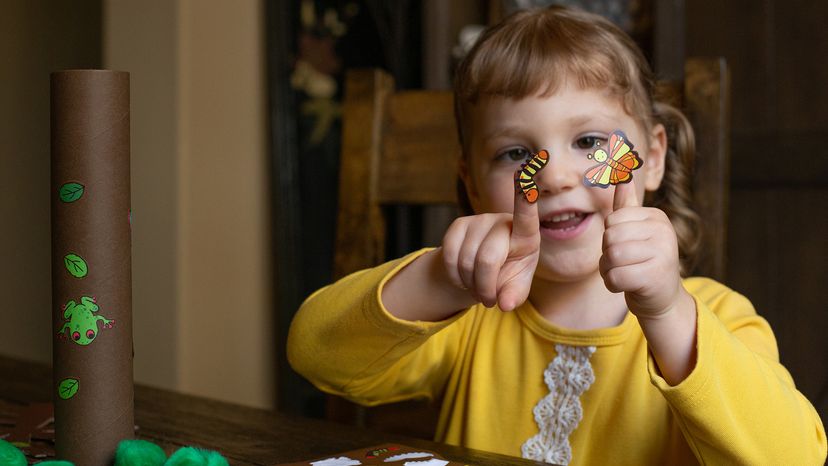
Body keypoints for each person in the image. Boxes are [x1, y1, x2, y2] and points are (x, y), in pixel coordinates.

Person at [288, 6, 826, 465]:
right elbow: (314, 354)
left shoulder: (720, 318)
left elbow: (796, 457)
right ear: (472, 184)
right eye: (516, 154)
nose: (554, 176)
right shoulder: (466, 319)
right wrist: (439, 279)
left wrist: (668, 315)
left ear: (652, 158)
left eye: (590, 141)